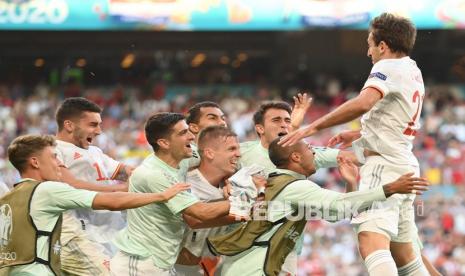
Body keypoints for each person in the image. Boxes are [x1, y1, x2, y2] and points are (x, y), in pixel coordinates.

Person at [280, 13, 430, 275]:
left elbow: (363, 103)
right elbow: (394, 118)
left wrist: (313, 127)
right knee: (405, 255)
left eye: (370, 43)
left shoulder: (387, 66)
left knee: (370, 240)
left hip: (384, 167)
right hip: (403, 162)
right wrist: (361, 137)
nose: (368, 51)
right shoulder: (412, 68)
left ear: (383, 45)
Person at [208, 138, 429, 276]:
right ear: (295, 156)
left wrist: (350, 183)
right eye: (308, 149)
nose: (313, 153)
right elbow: (339, 206)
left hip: (245, 266)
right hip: (251, 269)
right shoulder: (295, 187)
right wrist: (389, 188)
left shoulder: (281, 183)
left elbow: (336, 213)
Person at [0, 134, 188, 276]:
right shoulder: (47, 190)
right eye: (54, 157)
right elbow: (109, 202)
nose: (59, 163)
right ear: (35, 162)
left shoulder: (8, 198)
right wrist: (160, 196)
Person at [110, 113, 237, 275]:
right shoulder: (153, 174)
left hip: (162, 262)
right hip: (141, 263)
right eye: (183, 133)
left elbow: (216, 159)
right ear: (164, 143)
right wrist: (246, 202)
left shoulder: (182, 157)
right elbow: (199, 213)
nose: (191, 137)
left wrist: (228, 179)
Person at [54, 97, 133, 275]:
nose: (98, 131)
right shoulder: (52, 149)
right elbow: (71, 185)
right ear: (69, 125)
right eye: (92, 124)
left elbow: (124, 170)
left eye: (99, 124)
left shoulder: (94, 151)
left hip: (113, 232)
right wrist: (122, 190)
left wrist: (146, 176)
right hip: (83, 236)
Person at [175, 125, 245, 276]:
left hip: (209, 268)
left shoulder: (235, 183)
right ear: (209, 153)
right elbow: (194, 220)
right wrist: (245, 209)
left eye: (238, 149)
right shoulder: (186, 182)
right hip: (174, 268)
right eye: (231, 149)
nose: (238, 154)